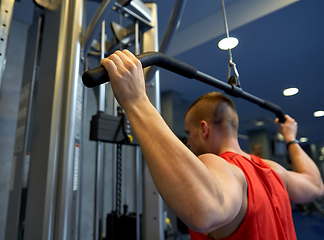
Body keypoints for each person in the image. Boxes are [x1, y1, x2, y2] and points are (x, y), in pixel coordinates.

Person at [100, 50, 324, 240]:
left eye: (189, 133)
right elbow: (315, 185)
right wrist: (290, 138)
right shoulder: (273, 170)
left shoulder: (218, 165)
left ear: (204, 129)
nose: (188, 141)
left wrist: (136, 101)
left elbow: (204, 212)